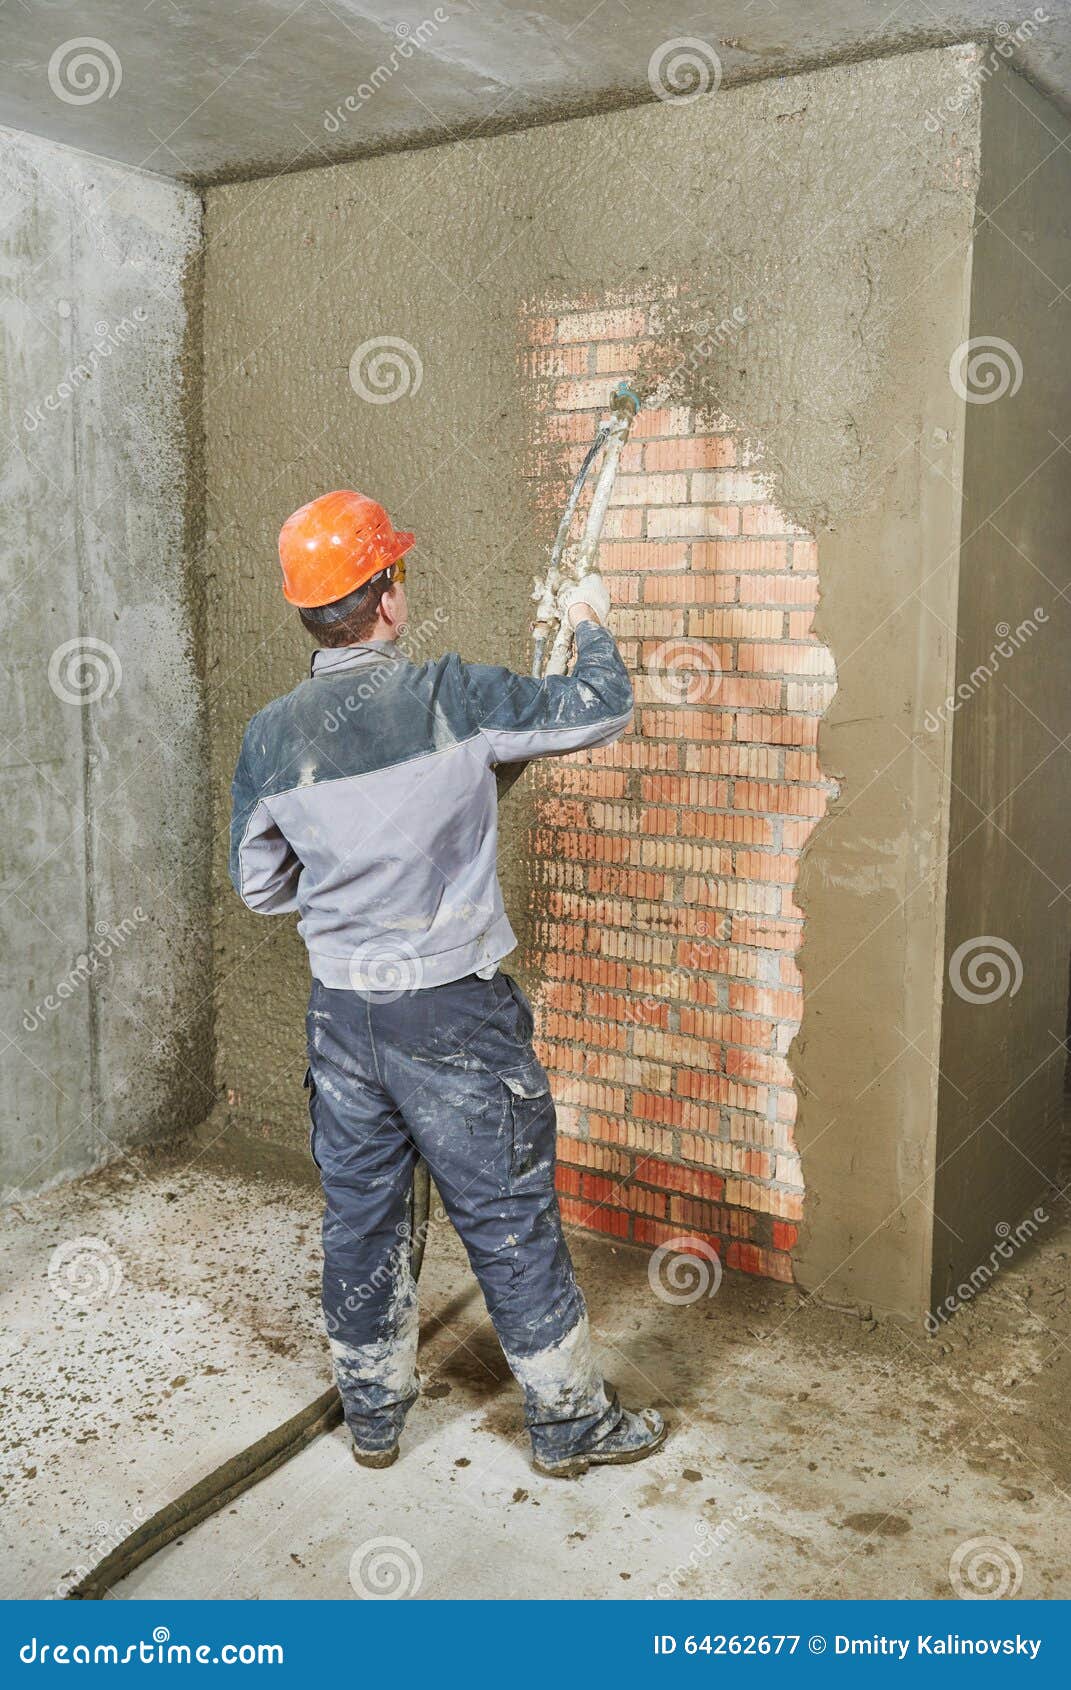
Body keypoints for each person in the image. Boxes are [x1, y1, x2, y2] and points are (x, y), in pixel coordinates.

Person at [229, 489, 667, 1478]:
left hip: (343, 1016)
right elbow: (601, 709)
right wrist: (589, 621)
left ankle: (375, 1416)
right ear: (385, 595)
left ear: (311, 611)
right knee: (508, 1213)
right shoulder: (456, 696)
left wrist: (345, 871)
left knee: (363, 1215)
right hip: (452, 1017)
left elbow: (260, 886)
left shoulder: (271, 736)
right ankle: (567, 1422)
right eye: (398, 574)